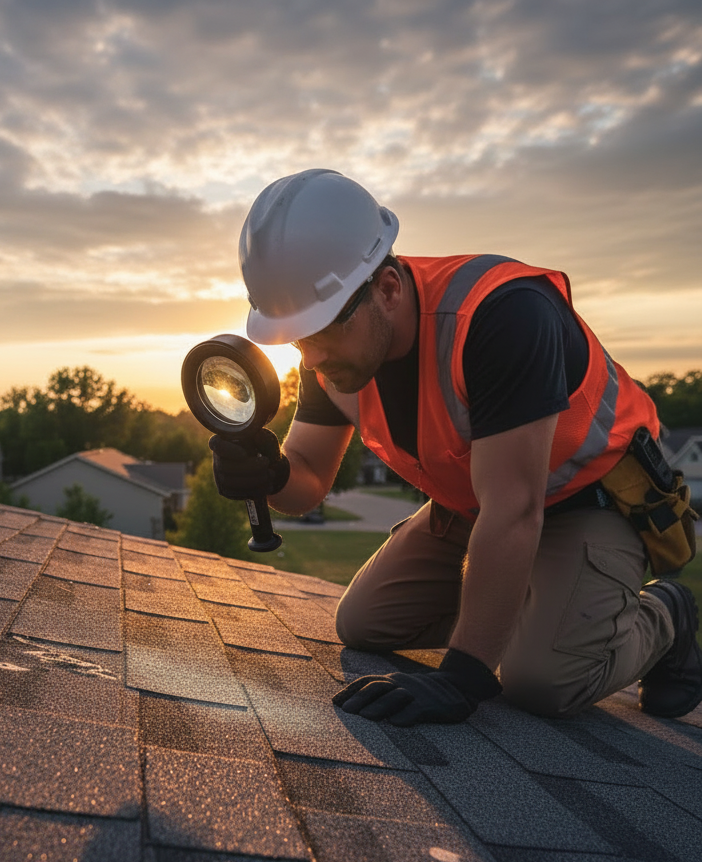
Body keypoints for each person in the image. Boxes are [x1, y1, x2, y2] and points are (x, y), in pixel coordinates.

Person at [211, 168, 701, 726]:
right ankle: (536, 610)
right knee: (366, 624)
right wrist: (270, 474)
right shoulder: (337, 351)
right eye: (298, 337)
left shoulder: (503, 315)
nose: (312, 358)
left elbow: (515, 511)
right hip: (479, 505)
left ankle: (664, 615)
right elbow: (308, 479)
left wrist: (463, 674)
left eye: (322, 332)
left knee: (540, 681)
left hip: (589, 500)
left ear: (388, 289)